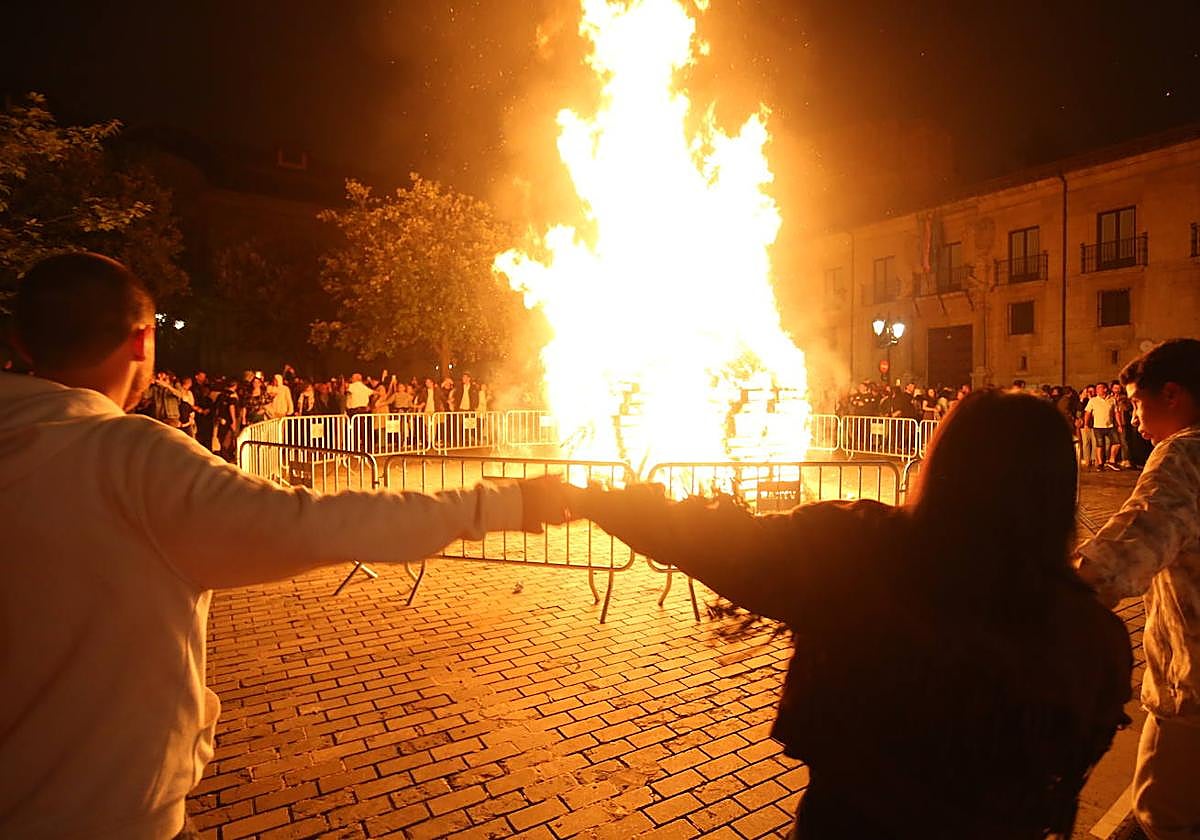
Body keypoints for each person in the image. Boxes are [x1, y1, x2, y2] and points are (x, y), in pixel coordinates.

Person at [0, 252, 572, 839]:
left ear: (19, 339)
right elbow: (319, 524)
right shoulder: (133, 461)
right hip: (112, 820)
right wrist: (507, 503)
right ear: (143, 340)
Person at [568, 391, 1132, 839]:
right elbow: (1066, 769)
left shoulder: (859, 553)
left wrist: (592, 497)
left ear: (944, 466)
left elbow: (721, 542)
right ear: (1057, 493)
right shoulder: (1094, 639)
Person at [1076, 339, 1200, 840]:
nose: (1132, 419)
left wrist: (1033, 599)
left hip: (1193, 691)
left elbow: (1125, 553)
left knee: (1163, 821)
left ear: (1171, 394)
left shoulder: (1185, 455)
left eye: (1135, 403)